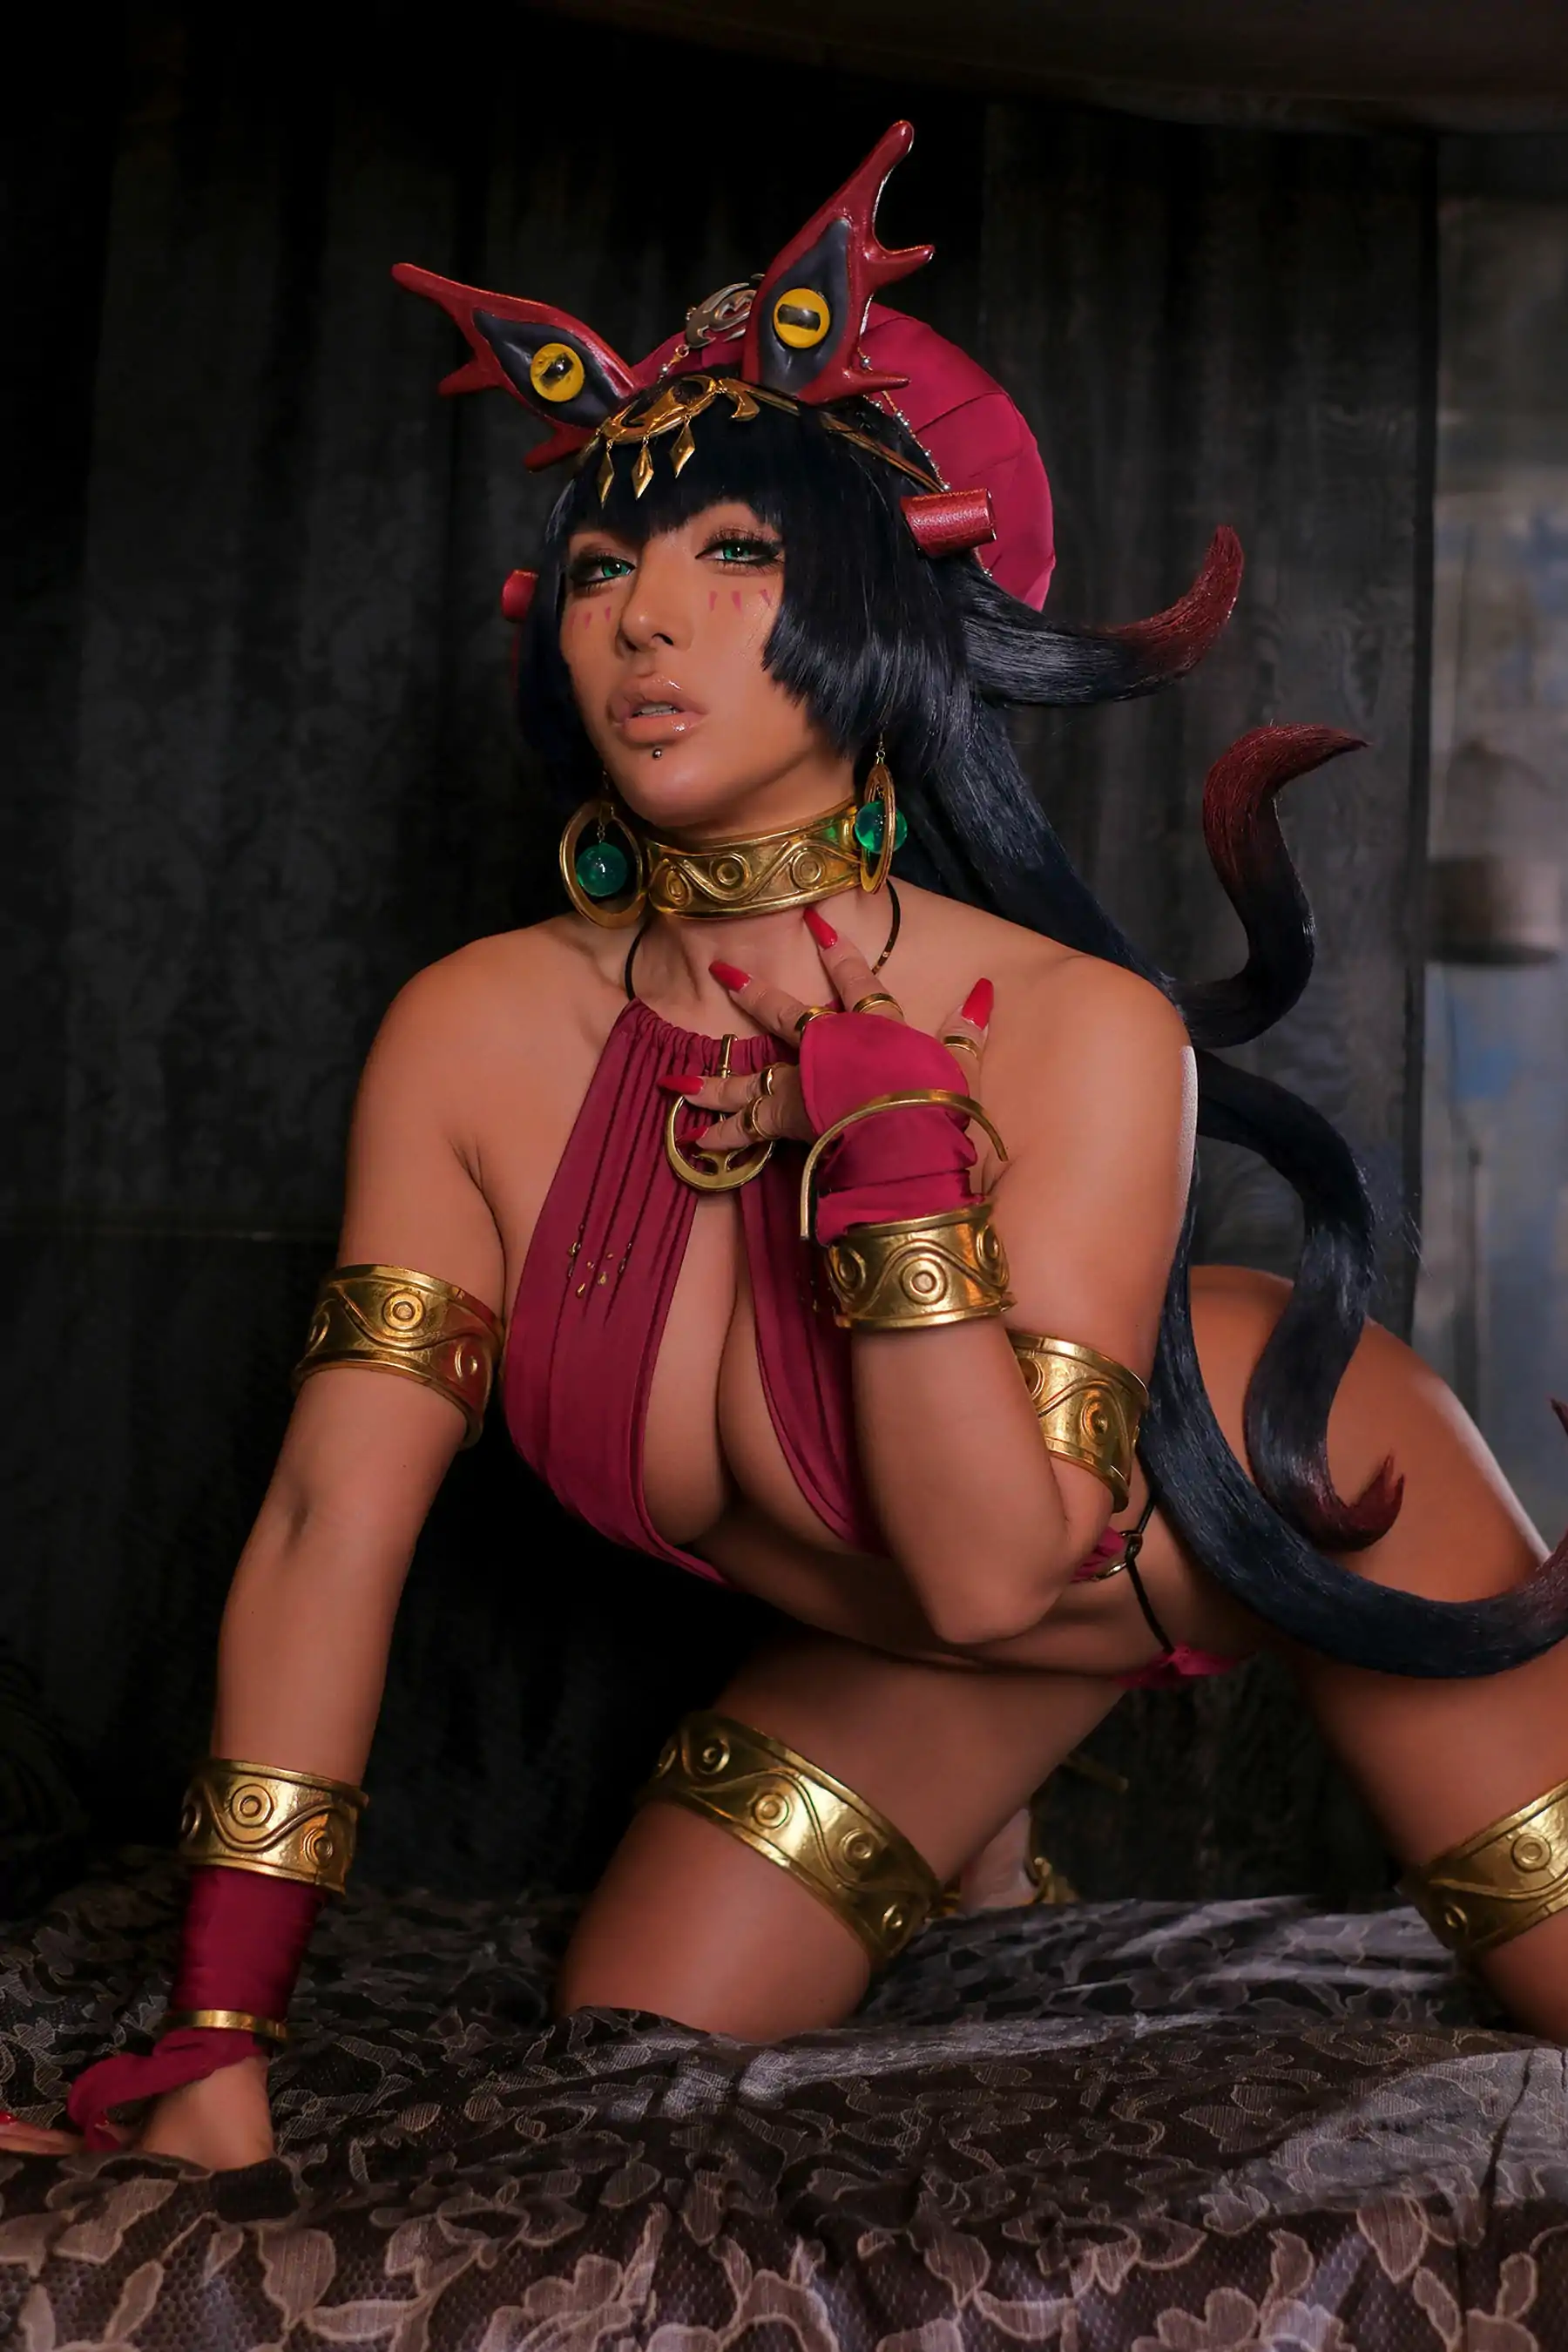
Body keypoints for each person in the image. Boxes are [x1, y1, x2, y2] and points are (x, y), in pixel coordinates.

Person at [7, 122, 1568, 2175]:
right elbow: (325, 1521)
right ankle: (993, 1831)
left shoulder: (1073, 1028)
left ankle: (1010, 1825)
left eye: (733, 556)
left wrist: (888, 1144)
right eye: (601, 568)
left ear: (868, 615)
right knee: (637, 2033)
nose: (647, 622)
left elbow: (998, 1565)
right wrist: (218, 2034)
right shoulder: (473, 1038)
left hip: (1297, 1500)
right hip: (929, 1644)